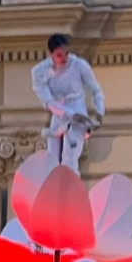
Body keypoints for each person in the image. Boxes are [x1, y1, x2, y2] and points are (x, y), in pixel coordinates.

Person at [31, 34, 106, 174]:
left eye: (66, 53)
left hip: (77, 111)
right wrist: (68, 114)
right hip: (59, 113)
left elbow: (96, 89)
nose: (64, 58)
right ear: (51, 54)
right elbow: (48, 101)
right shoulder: (41, 72)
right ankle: (53, 189)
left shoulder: (79, 66)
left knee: (69, 158)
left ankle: (70, 187)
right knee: (51, 160)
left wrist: (100, 111)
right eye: (59, 55)